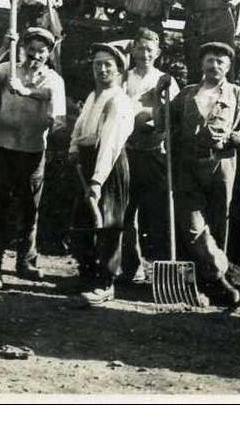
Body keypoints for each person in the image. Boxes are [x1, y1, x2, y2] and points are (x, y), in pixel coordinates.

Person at [156, 41, 240, 305]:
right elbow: (162, 123)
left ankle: (210, 284)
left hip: (222, 165)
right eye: (210, 60)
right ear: (202, 64)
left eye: (220, 62)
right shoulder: (188, 93)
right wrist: (160, 96)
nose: (214, 65)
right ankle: (218, 278)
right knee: (192, 226)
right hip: (189, 165)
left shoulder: (238, 94)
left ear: (228, 67)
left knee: (219, 222)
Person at [0, 26, 67, 290]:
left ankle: (26, 263)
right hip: (1, 147)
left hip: (33, 151)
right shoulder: (9, 69)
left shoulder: (54, 81)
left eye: (42, 52)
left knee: (29, 210)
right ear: (23, 48)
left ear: (48, 54)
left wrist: (29, 93)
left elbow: (57, 117)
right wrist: (4, 47)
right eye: (31, 50)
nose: (35, 56)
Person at [66, 43, 137, 307]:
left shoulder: (119, 101)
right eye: (97, 64)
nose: (102, 69)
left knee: (107, 222)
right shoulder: (92, 96)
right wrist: (73, 147)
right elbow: (80, 126)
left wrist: (97, 180)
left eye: (108, 64)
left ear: (119, 70)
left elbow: (110, 143)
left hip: (109, 165)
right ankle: (87, 276)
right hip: (87, 163)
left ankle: (105, 283)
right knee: (83, 220)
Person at [120, 28, 180, 284]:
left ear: (157, 53)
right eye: (140, 48)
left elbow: (170, 119)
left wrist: (151, 106)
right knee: (125, 211)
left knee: (158, 212)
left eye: (149, 50)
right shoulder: (124, 78)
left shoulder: (166, 80)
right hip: (127, 149)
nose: (144, 54)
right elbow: (119, 111)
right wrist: (141, 113)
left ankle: (161, 269)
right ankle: (132, 267)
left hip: (155, 152)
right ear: (133, 50)